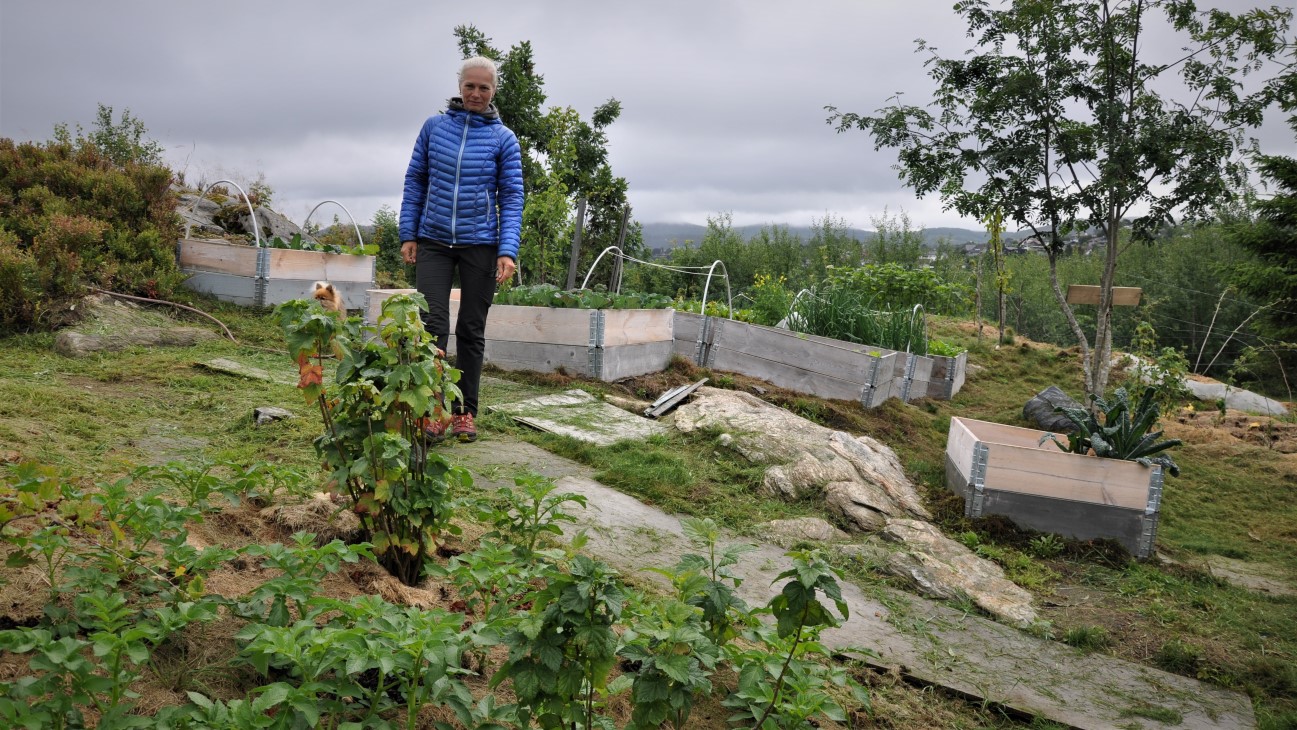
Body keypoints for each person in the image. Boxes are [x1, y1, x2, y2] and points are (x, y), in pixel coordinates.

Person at [399, 56, 523, 443]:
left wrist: (507, 250)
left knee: (470, 328)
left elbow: (512, 197)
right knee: (432, 326)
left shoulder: (504, 139)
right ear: (459, 86)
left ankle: (464, 412)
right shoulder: (434, 128)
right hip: (434, 240)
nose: (476, 93)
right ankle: (433, 410)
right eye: (470, 85)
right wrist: (408, 233)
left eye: (484, 87)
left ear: (493, 91)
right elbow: (416, 180)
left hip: (480, 245)